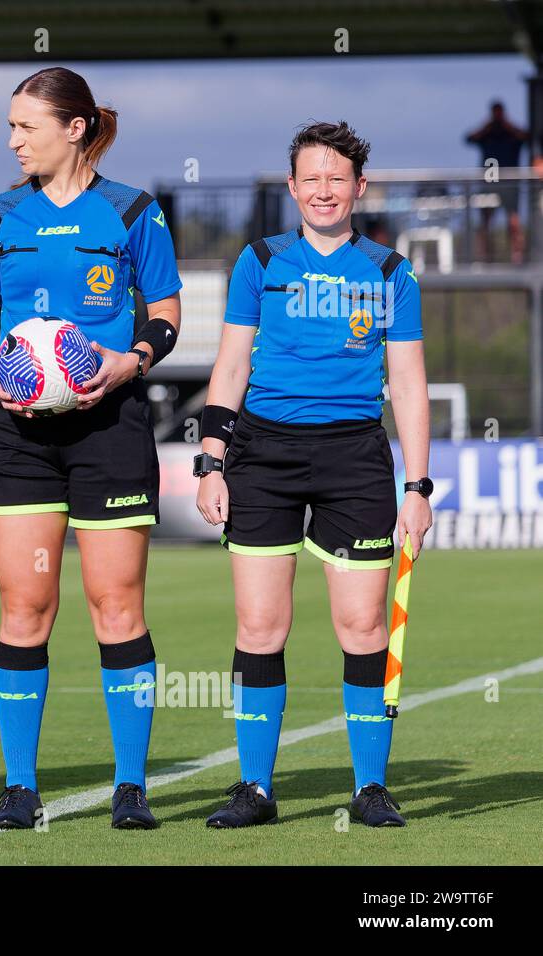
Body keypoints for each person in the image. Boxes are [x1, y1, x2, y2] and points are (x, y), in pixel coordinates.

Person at [195, 120, 431, 829]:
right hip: (262, 454)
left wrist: (416, 487)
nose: (324, 191)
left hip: (355, 456)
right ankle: (255, 790)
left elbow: (411, 385)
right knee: (260, 624)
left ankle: (369, 789)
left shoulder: (391, 271)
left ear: (359, 187)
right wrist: (212, 461)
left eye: (338, 179)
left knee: (363, 627)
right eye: (310, 179)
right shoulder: (259, 260)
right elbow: (232, 366)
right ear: (292, 187)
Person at [0, 66, 183, 830]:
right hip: (19, 433)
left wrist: (131, 361)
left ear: (75, 128)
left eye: (26, 126)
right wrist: (0, 372)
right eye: (11, 125)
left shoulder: (134, 212)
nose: (13, 140)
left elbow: (166, 313)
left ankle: (130, 788)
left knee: (115, 603)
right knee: (26, 604)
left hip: (109, 425)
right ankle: (19, 787)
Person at [465, 101, 529, 264]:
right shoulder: (487, 132)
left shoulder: (511, 132)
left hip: (509, 181)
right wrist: (488, 125)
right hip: (489, 180)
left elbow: (525, 137)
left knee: (513, 220)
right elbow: (469, 138)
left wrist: (506, 124)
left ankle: (517, 257)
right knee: (486, 221)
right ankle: (484, 259)